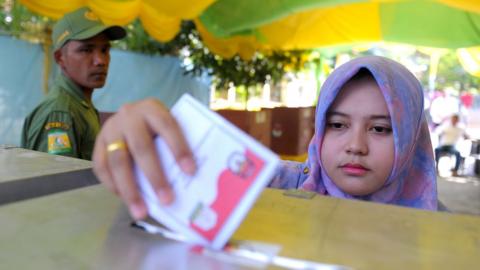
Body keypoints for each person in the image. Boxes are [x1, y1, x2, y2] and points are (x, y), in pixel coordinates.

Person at [92, 56, 438, 220]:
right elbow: (186, 177)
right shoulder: (272, 184)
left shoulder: (446, 240)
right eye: (337, 125)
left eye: (380, 128)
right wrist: (142, 140)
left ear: (411, 141)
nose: (355, 145)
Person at [21, 7, 126, 160]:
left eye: (104, 50)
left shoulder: (80, 104)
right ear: (60, 58)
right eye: (86, 50)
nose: (101, 61)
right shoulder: (60, 112)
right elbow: (55, 182)